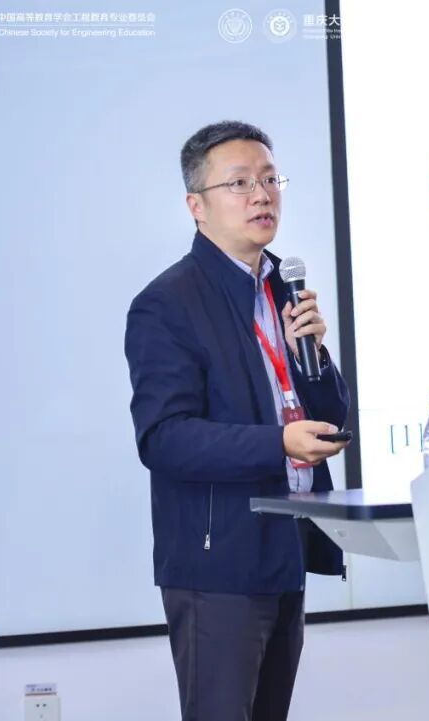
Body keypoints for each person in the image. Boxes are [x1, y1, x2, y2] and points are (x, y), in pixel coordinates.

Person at [124, 120, 350, 721]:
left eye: (271, 179)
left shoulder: (282, 288)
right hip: (217, 563)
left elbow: (329, 417)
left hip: (285, 546)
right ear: (196, 206)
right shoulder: (167, 304)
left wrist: (314, 357)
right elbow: (164, 438)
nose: (262, 195)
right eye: (240, 183)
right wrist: (278, 443)